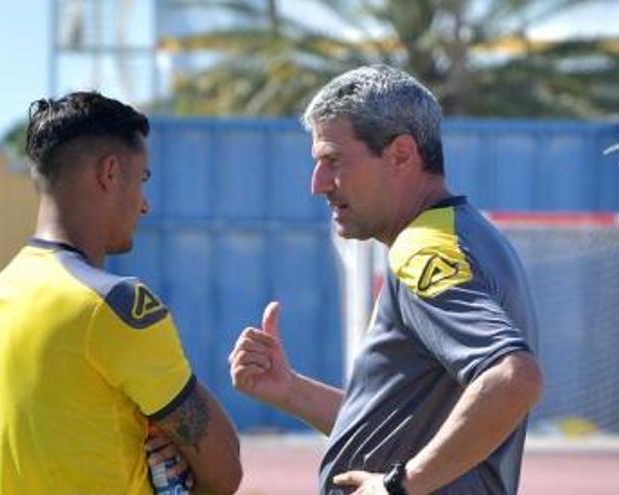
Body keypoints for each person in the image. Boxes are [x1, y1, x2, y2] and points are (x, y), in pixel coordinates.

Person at [228, 65, 543, 495]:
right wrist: (290, 391)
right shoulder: (466, 235)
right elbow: (396, 429)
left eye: (332, 161)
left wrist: (398, 486)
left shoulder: (424, 249)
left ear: (400, 154)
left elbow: (513, 378)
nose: (318, 185)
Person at [0, 91, 242, 495]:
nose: (145, 205)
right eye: (143, 180)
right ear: (110, 173)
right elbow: (225, 469)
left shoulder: (2, 290)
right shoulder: (115, 304)